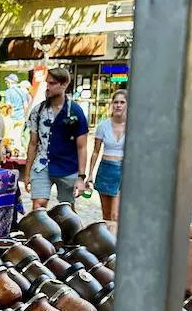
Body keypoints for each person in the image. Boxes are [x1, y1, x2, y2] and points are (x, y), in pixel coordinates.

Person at [24, 67, 89, 208]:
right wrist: (27, 173)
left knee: (67, 211)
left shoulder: (75, 111)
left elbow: (82, 146)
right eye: (47, 83)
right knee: (38, 209)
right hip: (42, 165)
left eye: (52, 83)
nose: (48, 87)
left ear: (64, 84)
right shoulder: (38, 111)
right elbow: (33, 144)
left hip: (67, 166)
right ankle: (40, 231)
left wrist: (81, 177)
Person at [86, 89, 127, 222]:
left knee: (116, 215)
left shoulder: (133, 126)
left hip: (122, 170)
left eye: (122, 102)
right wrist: (90, 174)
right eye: (115, 102)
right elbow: (96, 151)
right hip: (106, 169)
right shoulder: (103, 126)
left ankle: (116, 241)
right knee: (107, 215)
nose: (118, 105)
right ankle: (108, 241)